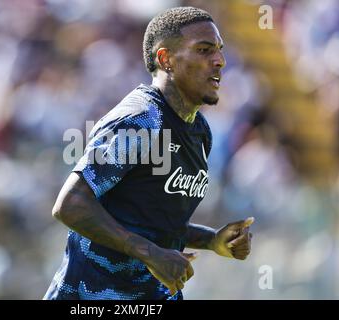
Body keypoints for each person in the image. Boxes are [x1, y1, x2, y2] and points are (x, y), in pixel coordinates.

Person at [44, 6, 254, 300]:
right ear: (166, 59)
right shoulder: (141, 120)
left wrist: (213, 240)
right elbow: (71, 204)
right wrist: (150, 253)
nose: (219, 60)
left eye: (219, 50)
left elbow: (152, 222)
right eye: (204, 50)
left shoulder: (199, 131)